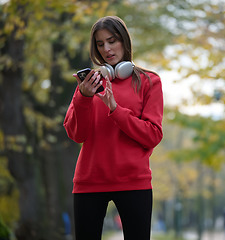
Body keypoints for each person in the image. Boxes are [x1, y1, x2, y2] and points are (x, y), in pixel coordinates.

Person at [63, 16, 163, 240]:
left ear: (124, 41)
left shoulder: (149, 81)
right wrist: (83, 98)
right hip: (89, 181)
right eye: (100, 44)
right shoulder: (89, 83)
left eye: (112, 41)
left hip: (133, 180)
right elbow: (76, 134)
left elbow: (152, 135)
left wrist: (115, 110)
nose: (107, 49)